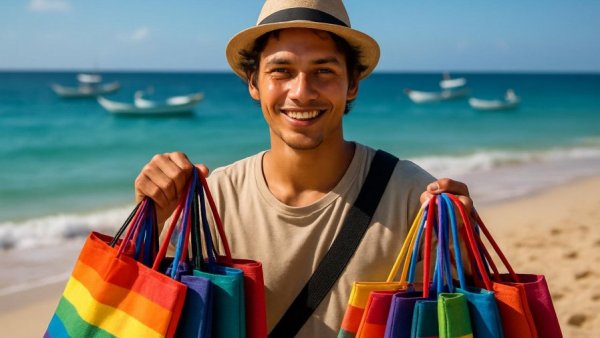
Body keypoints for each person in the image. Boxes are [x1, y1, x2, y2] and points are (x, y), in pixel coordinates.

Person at [134, 0, 472, 336]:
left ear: (352, 84)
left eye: (324, 71)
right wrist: (151, 217)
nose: (301, 92)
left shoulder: (414, 198)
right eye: (281, 71)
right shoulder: (211, 201)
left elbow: (456, 320)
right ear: (254, 83)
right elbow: (146, 319)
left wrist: (465, 248)